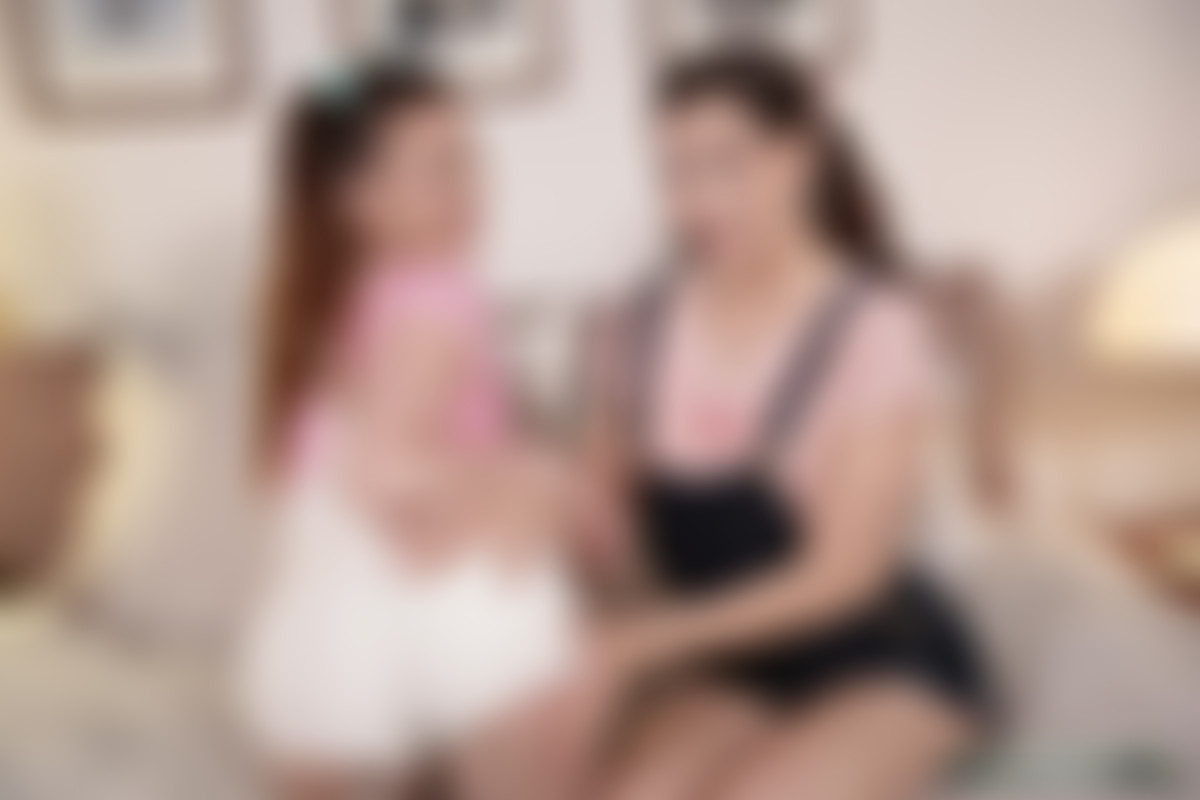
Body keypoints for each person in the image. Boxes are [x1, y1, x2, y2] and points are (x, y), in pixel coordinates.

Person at [576, 49, 992, 800]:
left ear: (799, 158)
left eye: (726, 164)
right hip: (738, 660)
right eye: (676, 171)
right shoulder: (634, 331)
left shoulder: (870, 326)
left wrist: (639, 642)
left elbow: (846, 574)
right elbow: (596, 519)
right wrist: (543, 513)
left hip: (880, 657)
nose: (699, 199)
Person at [238, 61, 579, 800]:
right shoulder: (434, 293)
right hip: (455, 623)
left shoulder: (325, 310)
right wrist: (535, 476)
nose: (469, 190)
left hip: (320, 643)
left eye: (469, 161)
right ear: (356, 197)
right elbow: (390, 480)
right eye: (437, 169)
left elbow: (350, 481)